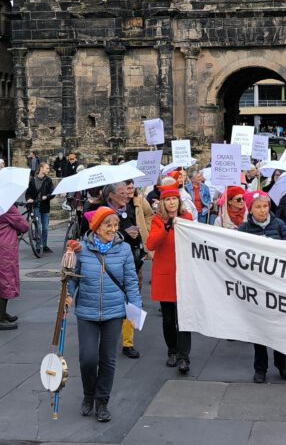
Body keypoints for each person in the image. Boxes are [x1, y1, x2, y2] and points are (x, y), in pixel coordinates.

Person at [65, 206, 141, 423]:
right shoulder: (81, 249)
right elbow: (72, 278)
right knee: (88, 359)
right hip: (87, 312)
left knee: (107, 359)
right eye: (108, 225)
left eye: (116, 225)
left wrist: (135, 309)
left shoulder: (124, 249)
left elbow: (131, 282)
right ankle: (88, 394)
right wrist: (68, 297)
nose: (113, 229)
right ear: (96, 227)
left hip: (114, 311)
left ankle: (102, 401)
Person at [239, 190, 286, 382]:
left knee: (279, 327)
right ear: (250, 209)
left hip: (277, 286)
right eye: (258, 207)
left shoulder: (278, 224)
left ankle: (281, 363)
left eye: (265, 206)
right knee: (259, 329)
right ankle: (260, 368)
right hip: (256, 287)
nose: (262, 210)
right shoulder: (243, 230)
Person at [147, 185, 195, 373]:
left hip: (183, 275)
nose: (172, 202)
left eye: (174, 198)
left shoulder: (187, 218)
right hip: (165, 276)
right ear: (163, 203)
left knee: (183, 318)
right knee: (168, 319)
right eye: (167, 199)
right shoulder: (158, 221)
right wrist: (166, 228)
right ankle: (172, 351)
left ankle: (184, 356)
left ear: (179, 200)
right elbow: (151, 243)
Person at [103, 181, 146, 359]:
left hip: (130, 261)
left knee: (132, 299)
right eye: (121, 192)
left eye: (127, 191)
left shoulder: (128, 209)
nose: (126, 195)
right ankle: (107, 339)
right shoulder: (101, 212)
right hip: (109, 265)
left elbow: (133, 229)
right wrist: (126, 234)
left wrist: (135, 234)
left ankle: (128, 343)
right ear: (111, 195)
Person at [0, 202, 29, 330]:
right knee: (5, 280)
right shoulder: (7, 207)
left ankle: (1, 313)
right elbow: (24, 226)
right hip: (4, 248)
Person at [26, 162, 55, 254]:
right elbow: (28, 192)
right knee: (38, 227)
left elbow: (52, 193)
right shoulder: (33, 180)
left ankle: (44, 245)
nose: (48, 170)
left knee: (45, 228)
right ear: (41, 168)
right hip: (36, 206)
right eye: (47, 168)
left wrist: (47, 196)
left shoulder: (48, 181)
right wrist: (29, 198)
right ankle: (39, 246)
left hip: (45, 207)